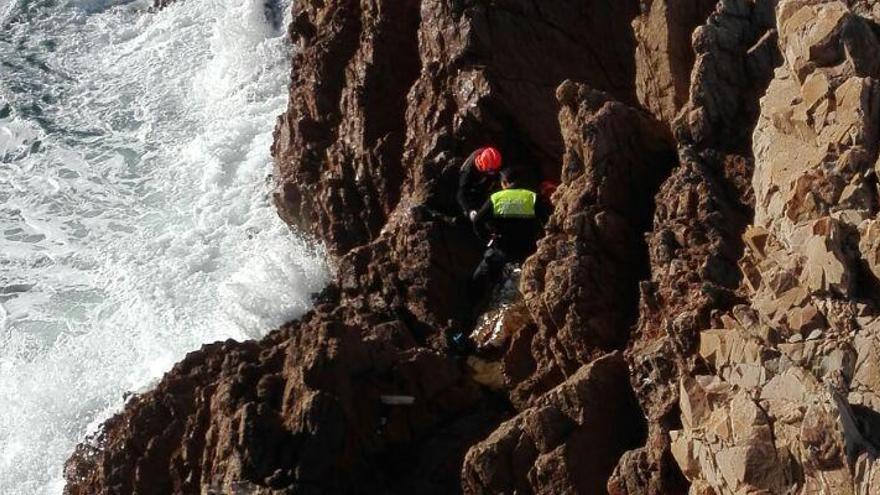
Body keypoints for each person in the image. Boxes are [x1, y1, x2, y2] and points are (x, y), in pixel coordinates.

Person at [457, 146, 503, 221]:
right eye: (493, 171)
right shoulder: (467, 174)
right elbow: (461, 194)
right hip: (474, 186)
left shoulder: (490, 155)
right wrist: (469, 211)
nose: (495, 172)